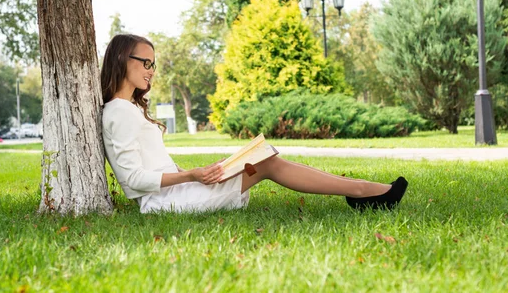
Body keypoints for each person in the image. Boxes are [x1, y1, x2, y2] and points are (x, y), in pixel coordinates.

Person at [100, 34, 408, 214]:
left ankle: (362, 193)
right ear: (123, 60)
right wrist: (191, 176)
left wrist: (204, 172)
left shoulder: (130, 109)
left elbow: (155, 166)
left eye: (153, 64)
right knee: (268, 165)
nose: (151, 71)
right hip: (165, 203)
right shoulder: (118, 111)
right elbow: (133, 180)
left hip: (179, 192)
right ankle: (363, 192)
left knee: (265, 158)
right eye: (146, 63)